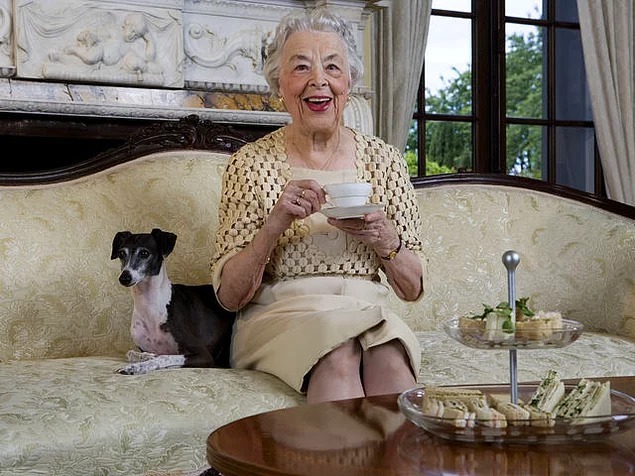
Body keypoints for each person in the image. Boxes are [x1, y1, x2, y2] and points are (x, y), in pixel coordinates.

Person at [210, 7, 426, 404]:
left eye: (332, 67)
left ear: (349, 81)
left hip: (367, 312)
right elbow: (229, 296)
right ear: (279, 83)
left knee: (390, 359)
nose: (318, 80)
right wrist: (274, 224)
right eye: (301, 67)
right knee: (338, 352)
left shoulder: (385, 161)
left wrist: (385, 238)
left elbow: (412, 289)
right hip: (282, 317)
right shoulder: (250, 164)